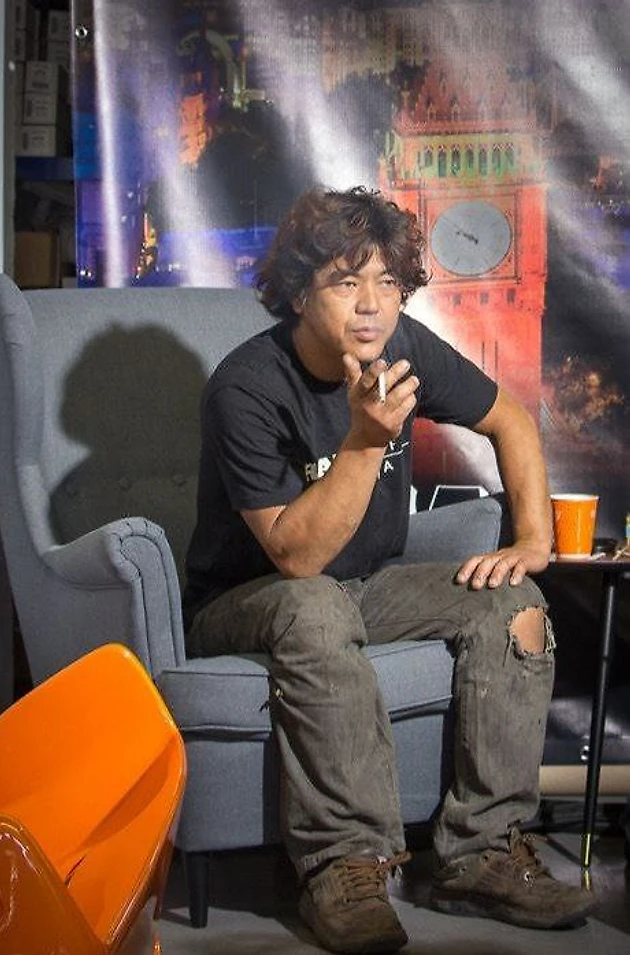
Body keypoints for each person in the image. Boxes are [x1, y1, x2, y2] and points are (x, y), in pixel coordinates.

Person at [182, 186, 595, 953]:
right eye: (347, 282)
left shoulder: (403, 346)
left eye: (388, 282)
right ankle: (348, 866)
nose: (372, 305)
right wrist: (367, 440)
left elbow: (510, 418)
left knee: (514, 603)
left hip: (364, 588)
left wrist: (533, 539)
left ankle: (481, 853)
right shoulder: (246, 388)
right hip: (244, 601)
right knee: (314, 604)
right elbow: (297, 557)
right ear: (300, 293)